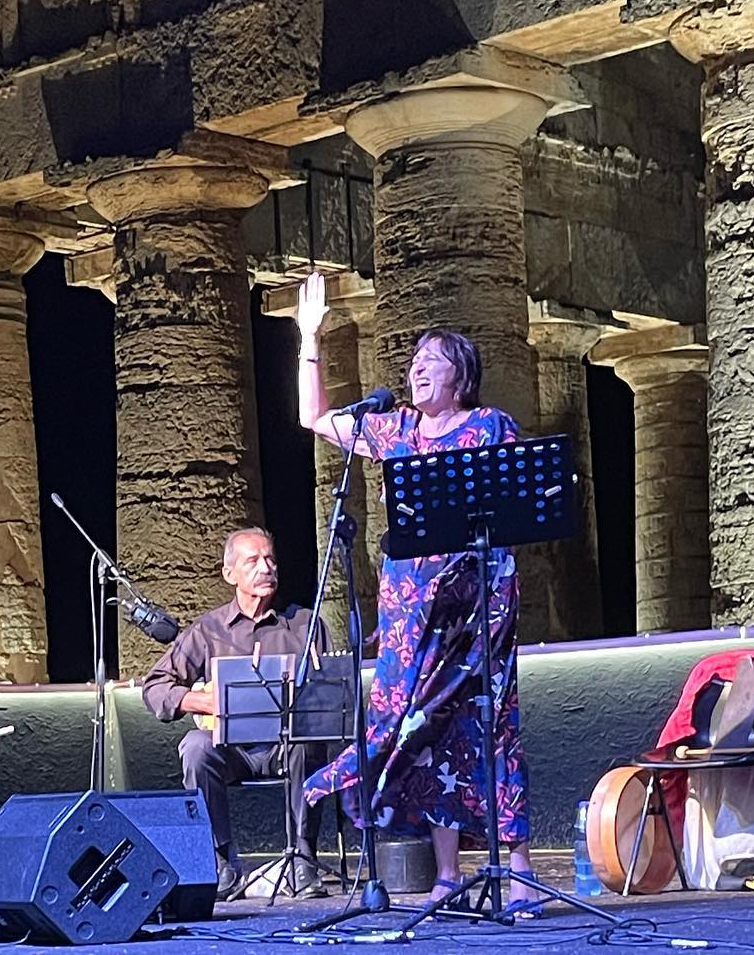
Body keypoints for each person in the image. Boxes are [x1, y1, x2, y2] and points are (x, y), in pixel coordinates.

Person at [292, 272, 541, 915]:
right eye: (415, 361)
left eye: (433, 361)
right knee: (418, 727)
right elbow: (311, 418)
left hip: (475, 609)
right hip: (408, 614)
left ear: (462, 377)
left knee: (488, 727)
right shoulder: (394, 429)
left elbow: (522, 501)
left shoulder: (488, 426)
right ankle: (448, 876)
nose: (417, 369)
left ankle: (517, 875)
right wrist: (308, 339)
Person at [142, 528, 330, 901]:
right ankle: (221, 862)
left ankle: (302, 860)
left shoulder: (306, 625)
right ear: (230, 575)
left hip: (286, 745)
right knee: (195, 747)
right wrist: (202, 701)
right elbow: (155, 687)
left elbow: (327, 695)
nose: (266, 568)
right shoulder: (208, 630)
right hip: (232, 750)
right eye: (253, 561)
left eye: (270, 559)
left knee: (307, 743)